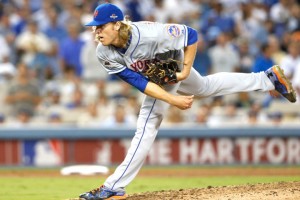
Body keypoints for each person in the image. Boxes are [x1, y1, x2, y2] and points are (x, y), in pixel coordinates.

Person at [79, 3, 296, 200]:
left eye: (101, 26)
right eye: (95, 27)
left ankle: (114, 186)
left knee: (147, 123)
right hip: (158, 76)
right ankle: (267, 79)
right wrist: (172, 98)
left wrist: (183, 72)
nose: (97, 31)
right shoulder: (103, 52)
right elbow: (139, 82)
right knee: (205, 88)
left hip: (172, 62)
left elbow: (190, 35)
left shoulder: (150, 34)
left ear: (117, 25)